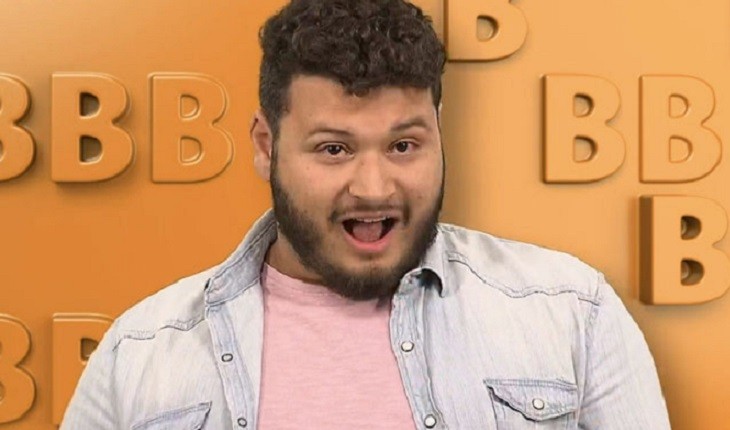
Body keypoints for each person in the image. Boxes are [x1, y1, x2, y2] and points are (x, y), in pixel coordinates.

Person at [61, 0, 671, 428]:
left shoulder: (572, 312)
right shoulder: (141, 354)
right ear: (266, 146)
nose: (374, 187)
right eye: (335, 149)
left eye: (403, 145)